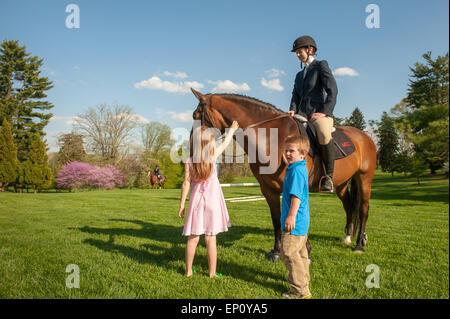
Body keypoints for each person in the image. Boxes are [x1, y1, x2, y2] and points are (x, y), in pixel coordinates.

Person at [178, 121, 239, 278]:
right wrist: (231, 130)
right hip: (212, 200)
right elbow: (225, 142)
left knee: (193, 237)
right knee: (210, 238)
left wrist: (181, 204)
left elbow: (186, 183)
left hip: (196, 200)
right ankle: (212, 273)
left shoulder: (189, 161)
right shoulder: (212, 156)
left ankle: (188, 271)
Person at [288, 35, 338, 192]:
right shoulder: (299, 75)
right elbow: (295, 95)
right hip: (300, 114)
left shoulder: (321, 66)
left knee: (323, 132)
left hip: (318, 114)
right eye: (295, 52)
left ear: (310, 50)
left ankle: (328, 177)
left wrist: (325, 112)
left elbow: (332, 90)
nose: (297, 54)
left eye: (299, 51)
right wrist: (292, 109)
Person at [280, 135, 312, 299]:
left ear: (303, 154)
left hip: (295, 221)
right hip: (301, 222)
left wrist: (291, 216)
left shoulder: (297, 171)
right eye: (286, 150)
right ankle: (303, 281)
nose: (287, 153)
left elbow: (296, 196)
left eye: (291, 151)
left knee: (287, 253)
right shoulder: (298, 167)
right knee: (300, 253)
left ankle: (299, 290)